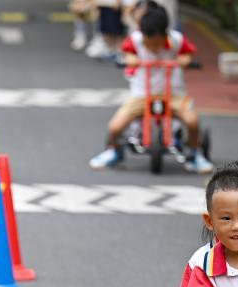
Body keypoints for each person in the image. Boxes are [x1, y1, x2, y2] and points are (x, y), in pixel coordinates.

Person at [88, 6, 212, 173]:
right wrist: (131, 58)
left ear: (165, 34)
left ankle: (195, 153)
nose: (153, 48)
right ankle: (113, 150)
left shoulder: (176, 40)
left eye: (157, 44)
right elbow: (126, 52)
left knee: (192, 121)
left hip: (173, 94)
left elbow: (188, 53)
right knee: (115, 126)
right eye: (149, 44)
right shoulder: (136, 39)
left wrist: (184, 60)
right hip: (142, 94)